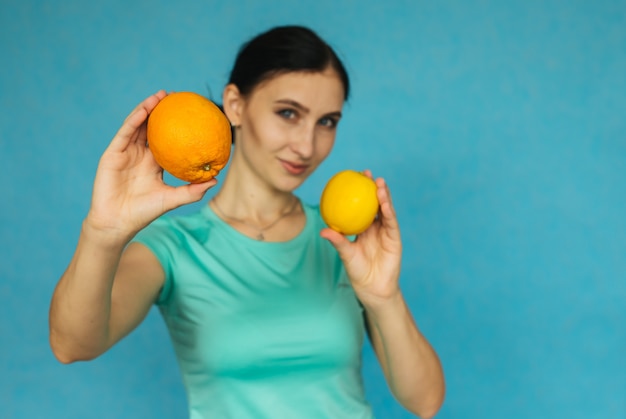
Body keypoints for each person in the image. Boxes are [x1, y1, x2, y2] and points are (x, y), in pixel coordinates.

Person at [49, 25, 445, 418]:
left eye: (327, 121)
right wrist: (102, 234)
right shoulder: (174, 247)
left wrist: (383, 296)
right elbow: (72, 345)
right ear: (235, 105)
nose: (306, 146)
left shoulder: (343, 244)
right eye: (288, 113)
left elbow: (425, 402)